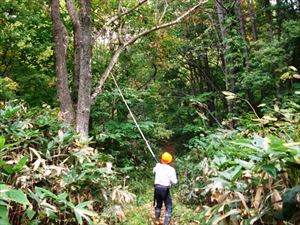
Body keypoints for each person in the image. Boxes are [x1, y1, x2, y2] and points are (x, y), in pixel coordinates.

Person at [153, 152, 177, 225]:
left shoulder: (157, 167)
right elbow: (174, 182)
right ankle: (166, 223)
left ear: (161, 160)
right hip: (165, 189)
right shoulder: (171, 169)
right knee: (169, 206)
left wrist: (158, 166)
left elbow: (153, 172)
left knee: (158, 204)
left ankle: (156, 220)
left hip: (157, 188)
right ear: (170, 161)